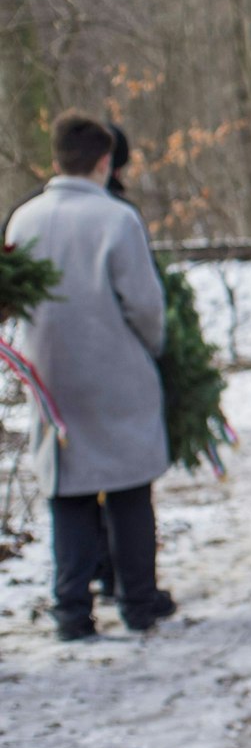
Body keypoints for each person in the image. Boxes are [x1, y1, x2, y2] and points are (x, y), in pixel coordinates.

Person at [6, 113, 176, 640]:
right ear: (104, 162)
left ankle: (72, 611)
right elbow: (145, 304)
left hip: (53, 376)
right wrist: (154, 350)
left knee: (69, 494)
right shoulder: (116, 219)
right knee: (128, 492)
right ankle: (138, 603)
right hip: (117, 372)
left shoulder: (22, 220)